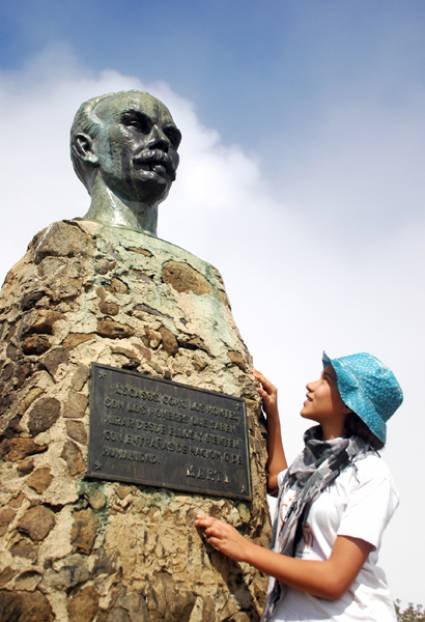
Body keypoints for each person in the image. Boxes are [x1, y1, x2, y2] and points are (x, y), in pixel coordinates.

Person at [195, 351, 403, 621]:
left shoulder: (371, 475)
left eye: (325, 380)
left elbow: (334, 579)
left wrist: (245, 549)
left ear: (350, 404)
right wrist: (272, 413)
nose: (311, 385)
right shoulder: (313, 463)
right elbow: (276, 483)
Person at [70, 90, 182, 235]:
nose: (162, 140)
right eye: (135, 125)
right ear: (87, 148)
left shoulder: (183, 258)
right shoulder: (68, 244)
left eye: (171, 137)